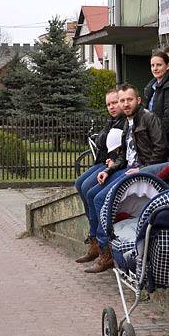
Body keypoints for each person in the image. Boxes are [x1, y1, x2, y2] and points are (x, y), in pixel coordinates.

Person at [84, 84, 169, 274]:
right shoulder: (126, 122)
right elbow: (124, 155)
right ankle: (99, 245)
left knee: (100, 199)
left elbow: (160, 149)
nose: (125, 103)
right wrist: (109, 169)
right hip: (127, 169)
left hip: (141, 171)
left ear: (138, 100)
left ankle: (106, 252)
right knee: (91, 192)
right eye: (122, 100)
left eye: (129, 99)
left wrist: (141, 169)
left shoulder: (149, 118)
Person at [74, 88, 125, 264]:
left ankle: (99, 243)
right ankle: (94, 240)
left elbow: (105, 143)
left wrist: (103, 141)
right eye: (108, 104)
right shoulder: (112, 121)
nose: (112, 107)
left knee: (90, 191)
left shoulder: (123, 122)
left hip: (112, 164)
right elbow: (101, 141)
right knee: (80, 183)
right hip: (102, 162)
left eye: (114, 102)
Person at [143, 51, 169, 152]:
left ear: (167, 66)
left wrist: (155, 138)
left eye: (159, 65)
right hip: (154, 141)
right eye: (152, 65)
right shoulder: (151, 87)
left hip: (167, 143)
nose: (155, 68)